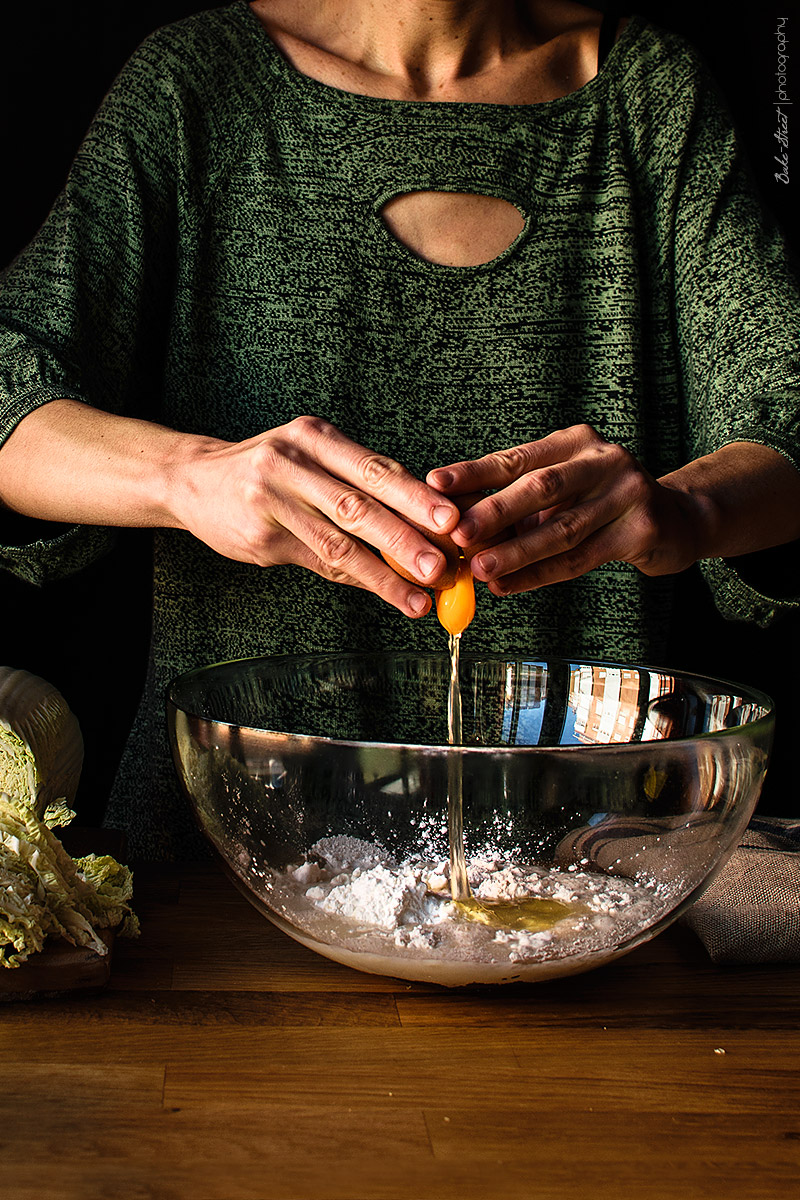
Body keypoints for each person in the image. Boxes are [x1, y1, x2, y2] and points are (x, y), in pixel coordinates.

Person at [0, 0, 798, 859]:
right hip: (223, 869)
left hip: (587, 862)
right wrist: (189, 476)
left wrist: (684, 511)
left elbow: (785, 418)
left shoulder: (650, 97)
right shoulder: (197, 85)